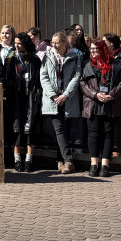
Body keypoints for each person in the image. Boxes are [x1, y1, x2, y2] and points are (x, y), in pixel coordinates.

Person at [80, 40, 121, 177]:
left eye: (96, 49)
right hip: (93, 104)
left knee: (108, 134)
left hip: (110, 104)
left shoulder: (117, 65)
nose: (93, 51)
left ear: (103, 49)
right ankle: (94, 164)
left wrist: (111, 95)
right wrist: (95, 95)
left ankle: (105, 165)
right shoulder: (87, 65)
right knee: (93, 134)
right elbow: (82, 83)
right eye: (91, 49)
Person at [40, 31, 82, 174]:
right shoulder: (47, 56)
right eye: (52, 42)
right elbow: (43, 77)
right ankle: (69, 161)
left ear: (64, 43)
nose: (53, 45)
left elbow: (77, 77)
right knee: (59, 129)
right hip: (53, 99)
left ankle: (60, 160)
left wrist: (65, 95)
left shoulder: (74, 56)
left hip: (68, 98)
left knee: (66, 130)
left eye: (57, 42)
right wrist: (53, 95)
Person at [11, 33, 42, 172]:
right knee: (17, 128)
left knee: (31, 129)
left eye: (19, 43)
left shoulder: (34, 59)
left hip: (31, 96)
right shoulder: (11, 58)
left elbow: (39, 79)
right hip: (16, 97)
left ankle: (29, 160)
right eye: (15, 43)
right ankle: (17, 159)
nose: (17, 46)